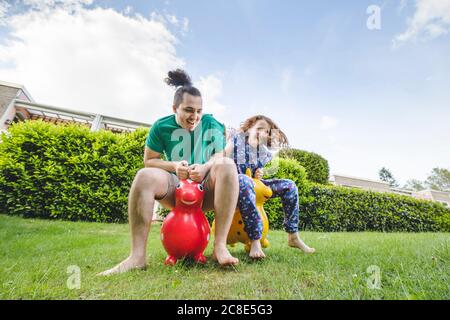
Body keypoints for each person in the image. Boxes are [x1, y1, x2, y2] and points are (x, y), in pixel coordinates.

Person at [99, 69, 239, 275]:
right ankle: (137, 257)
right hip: (176, 190)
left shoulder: (213, 124)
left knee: (227, 164)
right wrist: (173, 166)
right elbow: (150, 161)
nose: (195, 117)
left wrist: (205, 167)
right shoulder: (160, 126)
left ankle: (220, 248)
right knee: (143, 175)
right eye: (189, 110)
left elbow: (218, 155)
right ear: (175, 108)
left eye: (199, 111)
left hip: (205, 190)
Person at [224, 115, 315, 259]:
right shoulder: (237, 137)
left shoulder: (263, 153)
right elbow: (224, 152)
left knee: (289, 186)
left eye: (266, 131)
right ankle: (255, 241)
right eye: (259, 128)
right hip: (234, 184)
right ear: (249, 128)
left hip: (252, 185)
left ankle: (293, 236)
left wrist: (259, 173)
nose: (262, 132)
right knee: (244, 181)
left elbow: (256, 175)